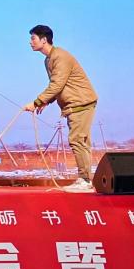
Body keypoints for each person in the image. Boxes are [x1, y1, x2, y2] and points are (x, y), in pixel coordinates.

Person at [23, 24, 99, 193]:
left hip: (81, 102)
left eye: (33, 38)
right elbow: (58, 85)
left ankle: (85, 181)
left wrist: (36, 102)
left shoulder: (60, 56)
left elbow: (58, 84)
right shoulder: (48, 59)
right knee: (79, 141)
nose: (30, 42)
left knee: (77, 140)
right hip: (73, 105)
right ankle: (85, 179)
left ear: (44, 40)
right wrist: (47, 101)